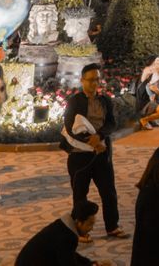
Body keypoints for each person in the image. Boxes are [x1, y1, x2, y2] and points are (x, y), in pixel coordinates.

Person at [62, 64, 126, 240]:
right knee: (80, 194)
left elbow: (112, 123)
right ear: (82, 80)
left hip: (101, 153)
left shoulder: (104, 100)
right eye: (90, 80)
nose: (94, 83)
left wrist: (99, 136)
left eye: (97, 79)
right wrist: (89, 141)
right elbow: (69, 126)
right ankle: (81, 230)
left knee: (108, 192)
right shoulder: (75, 101)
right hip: (79, 155)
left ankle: (112, 226)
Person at [15, 200, 113, 266]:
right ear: (79, 222)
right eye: (90, 224)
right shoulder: (67, 237)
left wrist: (91, 263)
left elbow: (70, 255)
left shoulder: (63, 226)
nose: (92, 229)